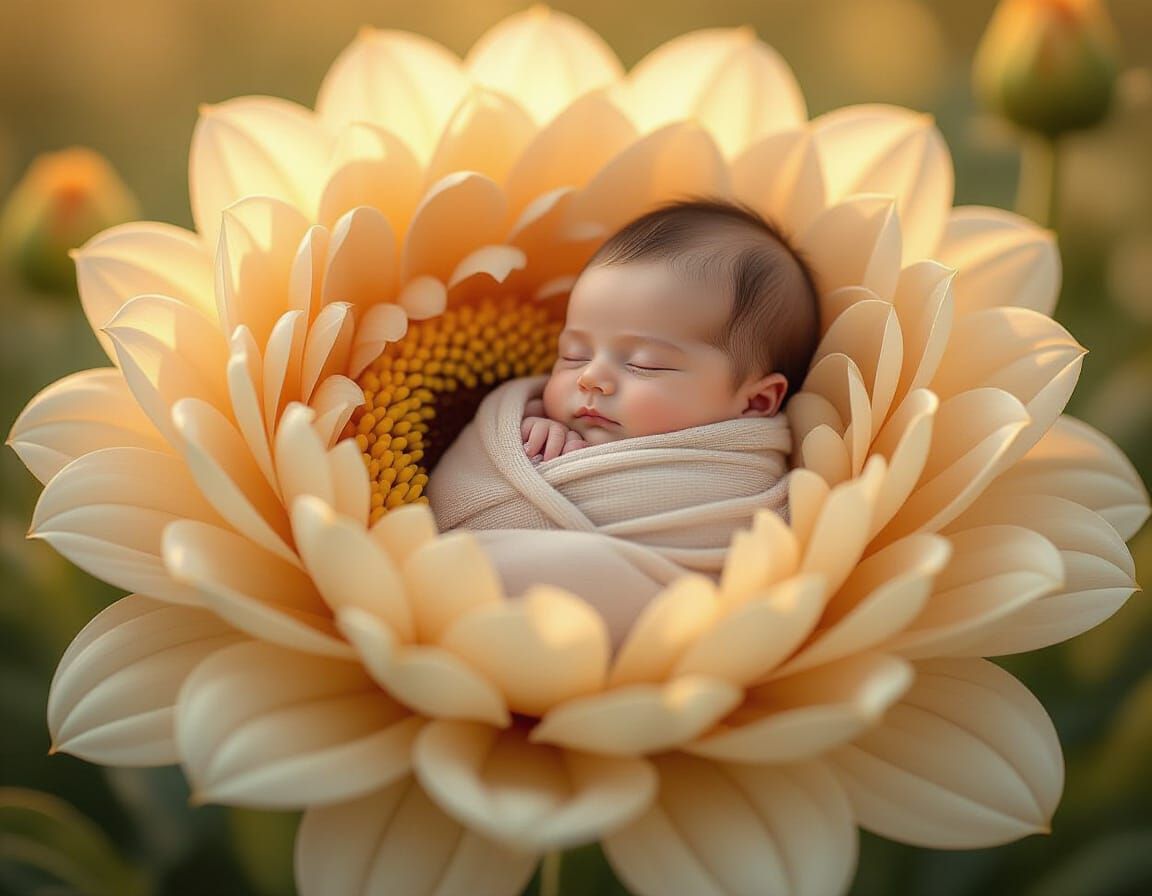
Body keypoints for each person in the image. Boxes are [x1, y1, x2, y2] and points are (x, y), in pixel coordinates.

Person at [520, 196, 820, 463]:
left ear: (756, 401)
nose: (589, 377)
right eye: (574, 356)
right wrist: (527, 441)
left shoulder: (739, 473)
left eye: (644, 364)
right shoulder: (536, 423)